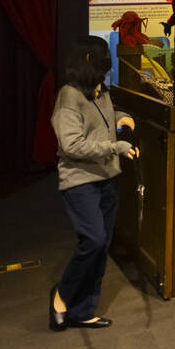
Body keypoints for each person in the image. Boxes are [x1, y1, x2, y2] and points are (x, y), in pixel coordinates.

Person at [48, 35, 138, 332]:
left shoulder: (99, 91)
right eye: (103, 56)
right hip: (80, 180)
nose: (107, 61)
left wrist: (121, 117)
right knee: (94, 240)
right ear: (88, 59)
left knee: (102, 247)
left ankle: (84, 310)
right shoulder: (68, 96)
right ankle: (62, 295)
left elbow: (104, 120)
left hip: (108, 178)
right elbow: (72, 145)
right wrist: (116, 147)